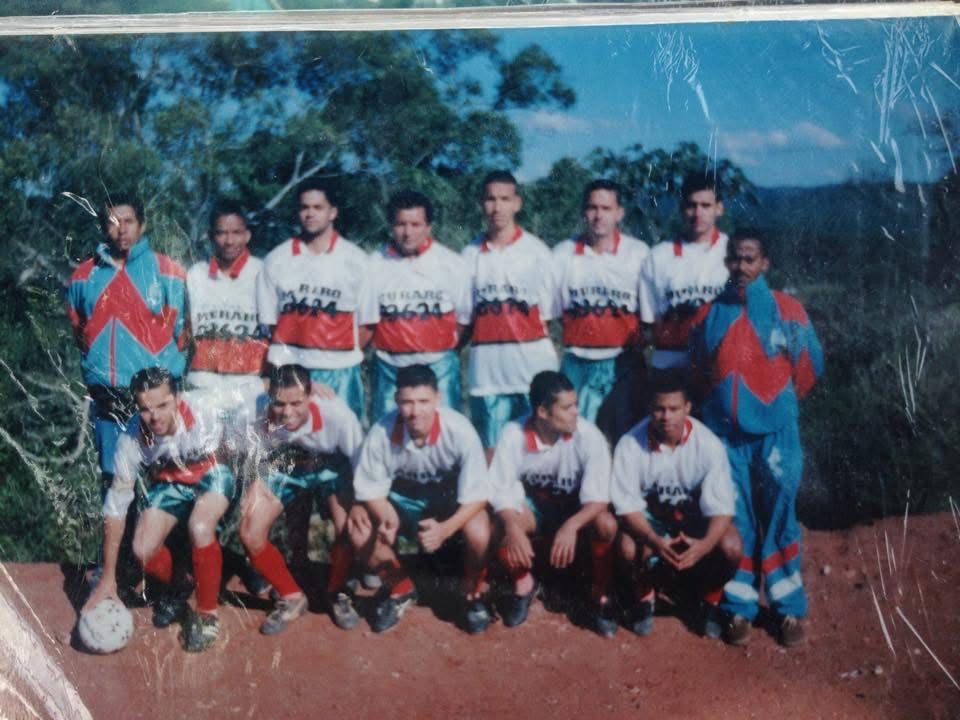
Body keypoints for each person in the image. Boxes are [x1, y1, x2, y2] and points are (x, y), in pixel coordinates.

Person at [688, 229, 824, 647]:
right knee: (737, 518)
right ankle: (739, 606)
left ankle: (788, 608)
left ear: (765, 263)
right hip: (727, 438)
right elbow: (697, 371)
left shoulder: (788, 310)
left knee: (780, 515)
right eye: (735, 258)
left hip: (777, 434)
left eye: (750, 259)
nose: (741, 267)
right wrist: (722, 410)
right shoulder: (710, 313)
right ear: (726, 260)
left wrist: (777, 407)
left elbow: (809, 366)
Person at [82, 367, 233, 653]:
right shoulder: (131, 438)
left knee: (200, 527)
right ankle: (182, 583)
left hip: (212, 473)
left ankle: (207, 613)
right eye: (145, 409)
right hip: (172, 480)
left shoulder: (206, 409)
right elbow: (116, 508)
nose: (155, 417)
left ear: (178, 397)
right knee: (141, 548)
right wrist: (108, 576)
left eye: (163, 405)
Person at [347, 364, 492, 634]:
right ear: (396, 401)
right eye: (407, 402)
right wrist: (385, 517)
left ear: (438, 399)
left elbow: (478, 497)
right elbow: (370, 491)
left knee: (479, 529)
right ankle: (400, 587)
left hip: (446, 506)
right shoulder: (381, 433)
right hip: (402, 505)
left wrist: (446, 529)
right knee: (359, 528)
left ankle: (472, 593)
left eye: (424, 401)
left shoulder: (459, 430)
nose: (415, 411)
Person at [66, 193, 187, 497]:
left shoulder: (167, 270)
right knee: (115, 483)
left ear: (142, 225)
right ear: (103, 227)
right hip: (109, 396)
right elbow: (79, 331)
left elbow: (183, 333)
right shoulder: (83, 276)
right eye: (113, 222)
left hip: (157, 396)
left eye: (129, 221)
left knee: (170, 480)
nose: (121, 229)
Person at [611, 369, 741, 638]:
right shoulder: (630, 445)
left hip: (693, 522)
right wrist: (653, 540)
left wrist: (705, 545)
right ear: (649, 408)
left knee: (731, 545)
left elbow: (721, 508)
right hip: (653, 523)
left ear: (688, 408)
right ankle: (645, 596)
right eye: (659, 409)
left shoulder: (708, 445)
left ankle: (709, 602)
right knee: (627, 547)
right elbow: (627, 508)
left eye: (674, 409)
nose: (666, 417)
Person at [490, 371, 618, 636]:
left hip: (575, 511)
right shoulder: (513, 434)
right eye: (567, 407)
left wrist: (571, 526)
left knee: (605, 523)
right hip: (537, 511)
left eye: (576, 404)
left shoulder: (588, 435)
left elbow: (598, 499)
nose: (576, 412)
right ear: (543, 412)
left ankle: (599, 594)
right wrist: (513, 528)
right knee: (500, 522)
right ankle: (524, 584)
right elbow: (499, 490)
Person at [239, 364, 365, 634]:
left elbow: (360, 462)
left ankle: (337, 590)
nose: (287, 412)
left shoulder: (337, 415)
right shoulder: (257, 409)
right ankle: (292, 596)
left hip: (331, 464)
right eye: (279, 403)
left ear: (310, 396)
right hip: (285, 464)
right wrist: (254, 483)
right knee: (250, 531)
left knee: (349, 528)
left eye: (296, 403)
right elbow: (254, 454)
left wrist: (359, 504)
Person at [461, 171, 559, 460]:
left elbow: (546, 316)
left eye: (505, 199)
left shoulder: (537, 252)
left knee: (539, 453)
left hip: (531, 371)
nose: (497, 207)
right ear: (482, 204)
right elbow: (466, 317)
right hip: (487, 376)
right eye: (490, 199)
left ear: (517, 203)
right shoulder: (469, 254)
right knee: (491, 455)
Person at [256, 177, 369, 419]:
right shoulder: (276, 259)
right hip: (290, 370)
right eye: (304, 207)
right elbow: (270, 324)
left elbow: (367, 325)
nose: (310, 214)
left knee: (342, 438)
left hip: (340, 372)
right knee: (290, 438)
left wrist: (335, 357)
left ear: (333, 212)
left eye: (318, 207)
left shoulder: (357, 260)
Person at [361, 190, 472, 420]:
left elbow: (464, 320)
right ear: (391, 226)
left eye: (415, 224)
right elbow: (367, 321)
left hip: (439, 366)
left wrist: (442, 349)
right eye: (400, 224)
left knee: (446, 429)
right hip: (390, 367)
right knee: (386, 431)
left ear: (428, 226)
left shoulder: (452, 264)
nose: (407, 232)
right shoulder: (373, 264)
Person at [553, 179, 649, 424]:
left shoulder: (639, 253)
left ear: (619, 213)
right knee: (575, 433)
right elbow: (557, 311)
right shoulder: (562, 253)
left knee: (626, 433)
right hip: (577, 359)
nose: (598, 216)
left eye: (606, 208)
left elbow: (648, 314)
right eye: (592, 208)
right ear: (583, 211)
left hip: (623, 360)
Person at [185, 202, 268, 447]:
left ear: (247, 235)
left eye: (236, 233)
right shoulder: (196, 275)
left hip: (249, 386)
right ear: (211, 236)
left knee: (247, 457)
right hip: (204, 385)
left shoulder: (263, 272)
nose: (229, 241)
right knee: (204, 456)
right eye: (221, 233)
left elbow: (276, 333)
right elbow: (185, 330)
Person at [639, 173, 729, 370]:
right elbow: (649, 321)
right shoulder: (658, 256)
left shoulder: (732, 253)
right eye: (691, 205)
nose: (698, 213)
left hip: (719, 361)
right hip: (670, 360)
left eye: (706, 206)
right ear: (681, 208)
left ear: (719, 208)